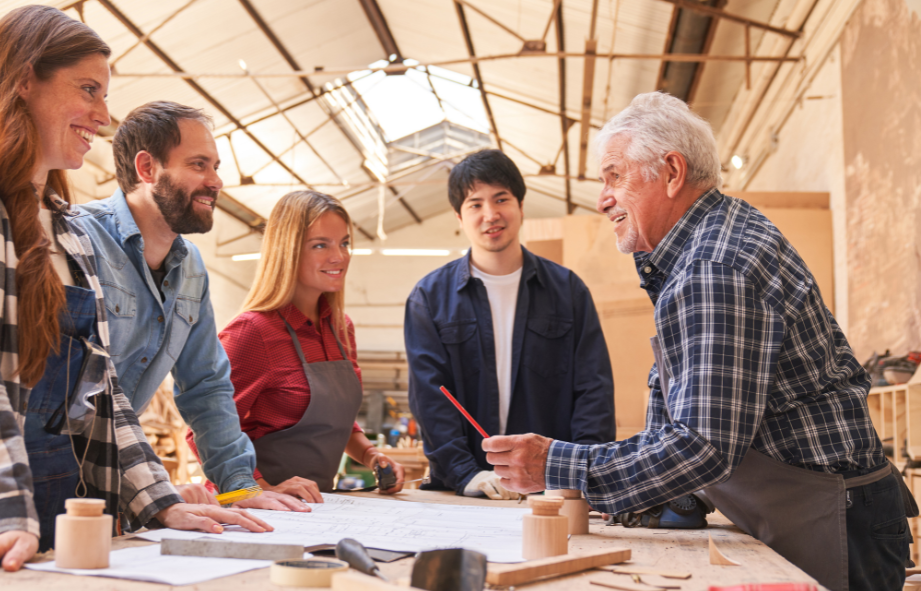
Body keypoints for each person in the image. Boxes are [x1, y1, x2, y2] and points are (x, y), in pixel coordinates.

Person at [0, 7, 269, 587]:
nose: (103, 116)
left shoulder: (68, 230)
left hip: (60, 523)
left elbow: (105, 398)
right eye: (89, 90)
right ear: (24, 80)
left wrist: (159, 501)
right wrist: (2, 509)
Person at [482, 92, 912, 591]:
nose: (602, 199)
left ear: (671, 171)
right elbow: (699, 416)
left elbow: (703, 443)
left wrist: (555, 464)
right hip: (817, 505)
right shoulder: (706, 244)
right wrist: (664, 492)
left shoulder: (711, 266)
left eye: (614, 176)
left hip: (834, 519)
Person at [75, 102, 309, 508]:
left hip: (116, 477)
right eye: (199, 165)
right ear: (147, 169)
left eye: (215, 166)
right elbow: (82, 387)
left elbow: (206, 385)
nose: (216, 181)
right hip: (50, 468)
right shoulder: (81, 240)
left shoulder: (191, 268)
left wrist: (240, 487)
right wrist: (156, 492)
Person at [405, 149, 615, 500]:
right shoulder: (429, 298)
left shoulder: (568, 291)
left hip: (552, 491)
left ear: (520, 205)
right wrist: (465, 474)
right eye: (475, 204)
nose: (491, 214)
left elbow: (593, 390)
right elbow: (430, 397)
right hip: (463, 491)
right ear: (459, 216)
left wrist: (583, 477)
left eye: (501, 198)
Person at [203, 190, 404, 497]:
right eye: (320, 245)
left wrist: (370, 455)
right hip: (250, 507)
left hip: (315, 507)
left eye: (345, 243)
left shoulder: (341, 329)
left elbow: (336, 424)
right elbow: (206, 430)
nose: (339, 256)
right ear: (289, 251)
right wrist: (262, 490)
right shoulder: (252, 332)